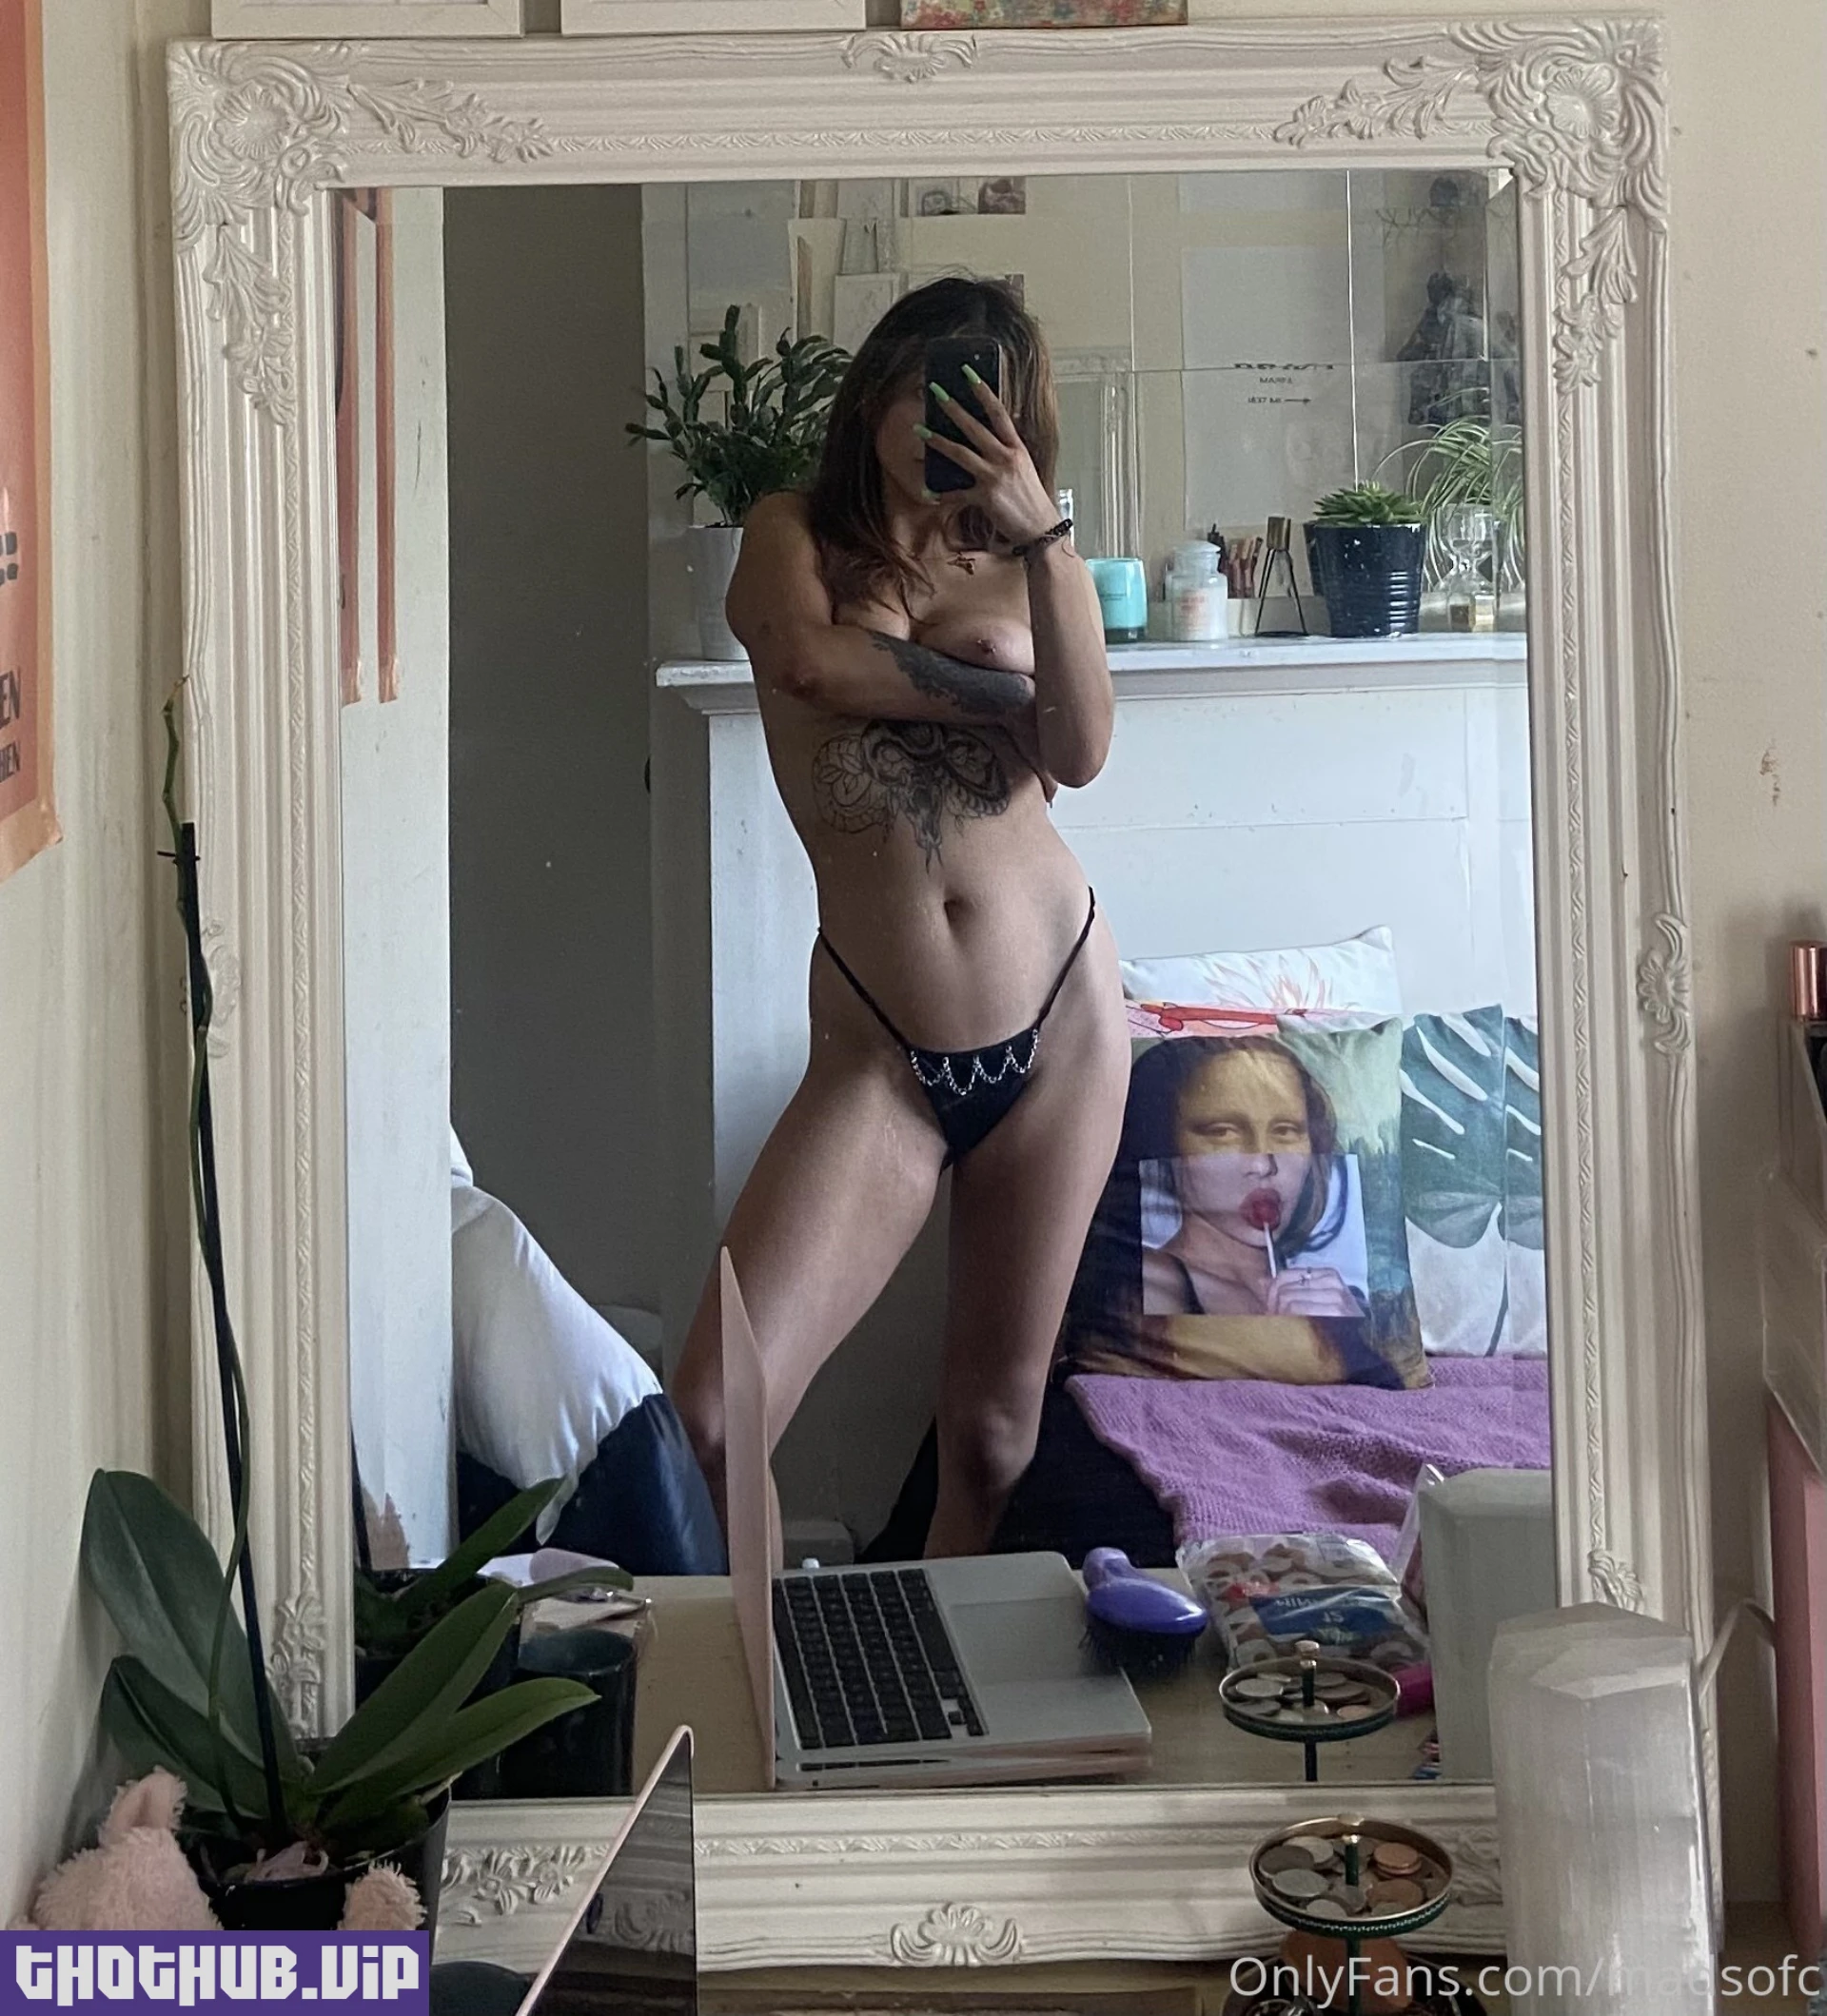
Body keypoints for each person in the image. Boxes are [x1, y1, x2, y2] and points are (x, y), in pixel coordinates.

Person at [669, 278, 1130, 1559]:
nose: (945, 421)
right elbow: (807, 662)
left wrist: (1045, 536)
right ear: (876, 389)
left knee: (991, 1439)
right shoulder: (795, 532)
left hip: (1062, 1022)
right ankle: (765, 1683)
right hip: (884, 1055)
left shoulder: (1034, 564)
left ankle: (936, 1686)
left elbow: (1082, 750)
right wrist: (1002, 698)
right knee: (712, 1418)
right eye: (928, 388)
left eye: (981, 399)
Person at [1066, 1034, 1398, 1387]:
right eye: (1223, 1132)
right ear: (1164, 1143)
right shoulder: (1147, 1280)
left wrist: (1344, 1334)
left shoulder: (1332, 1293)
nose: (1263, 1164)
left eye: (1286, 1132)